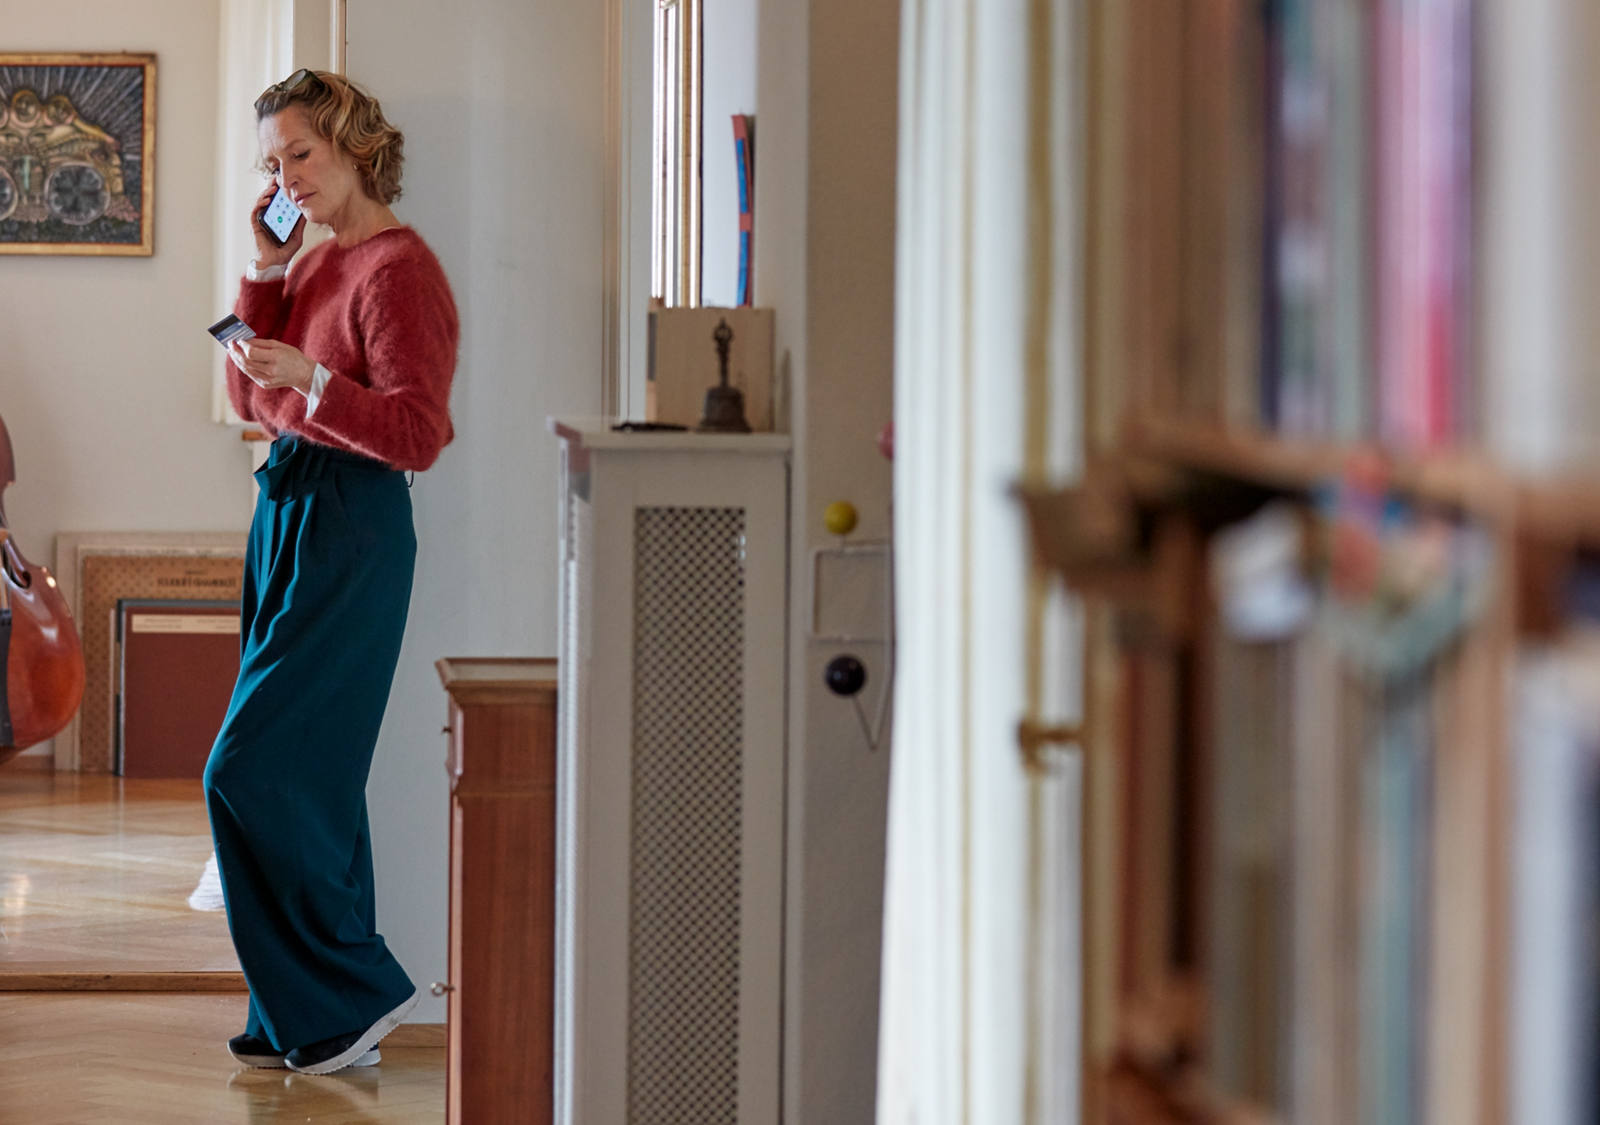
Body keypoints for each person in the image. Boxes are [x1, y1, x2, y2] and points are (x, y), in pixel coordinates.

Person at [202, 68, 458, 1076]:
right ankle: (302, 1014)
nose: (286, 180)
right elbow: (250, 404)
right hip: (288, 510)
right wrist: (264, 274)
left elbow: (417, 433)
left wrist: (312, 379)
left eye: (300, 155)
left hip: (349, 521)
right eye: (273, 164)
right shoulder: (313, 264)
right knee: (315, 780)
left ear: (356, 146)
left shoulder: (399, 271)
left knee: (251, 767)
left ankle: (350, 995)